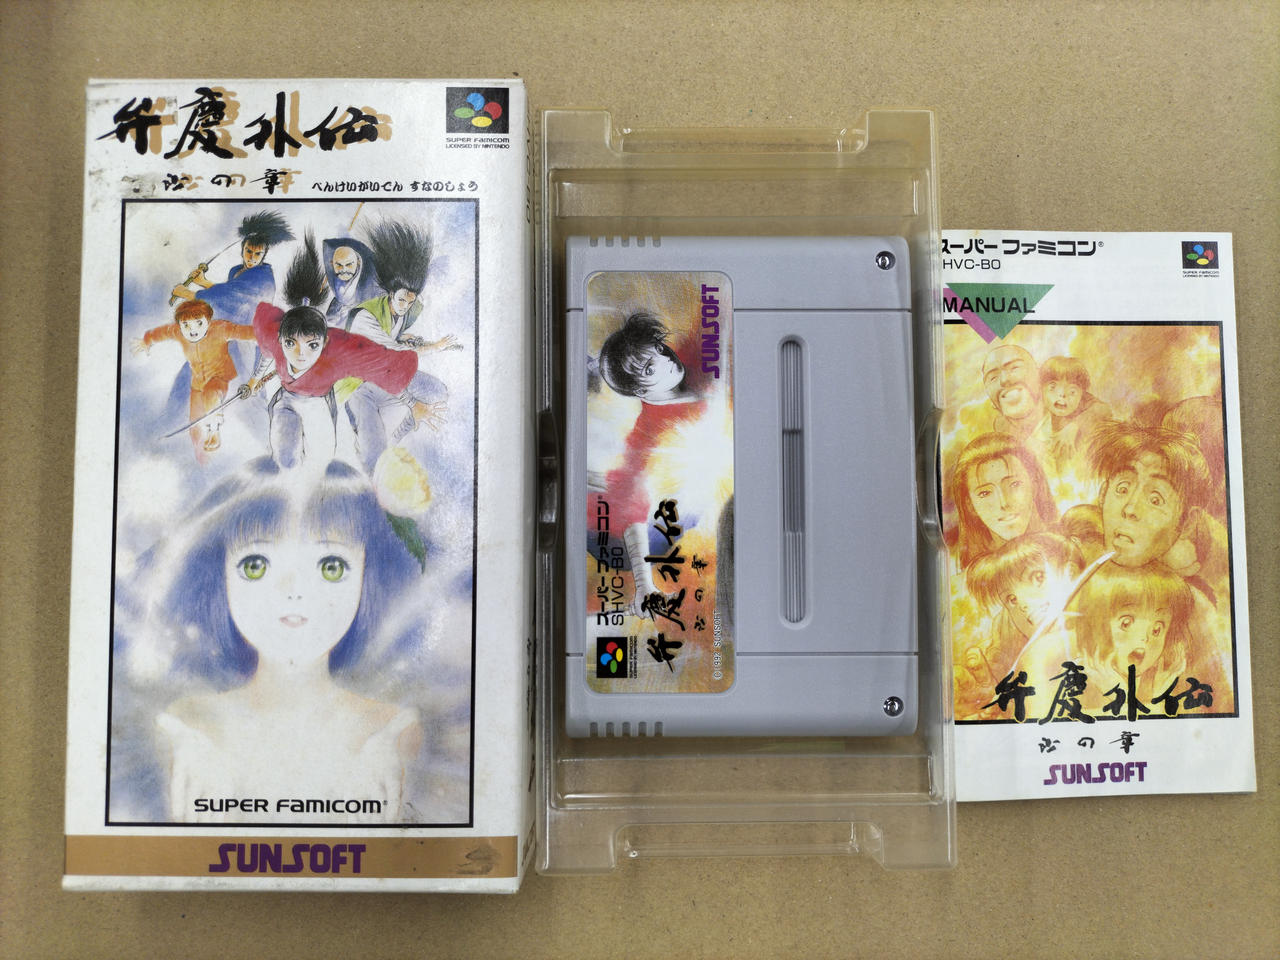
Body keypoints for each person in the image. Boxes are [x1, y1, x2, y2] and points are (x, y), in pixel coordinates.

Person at [150, 458, 424, 822]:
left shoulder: (393, 733)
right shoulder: (186, 726)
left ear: (369, 577)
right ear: (218, 576)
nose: (294, 591)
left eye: (331, 567)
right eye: (256, 566)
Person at [241, 233, 431, 470]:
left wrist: (411, 402)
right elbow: (266, 349)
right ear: (281, 339)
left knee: (321, 459)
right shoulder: (275, 338)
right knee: (286, 459)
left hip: (319, 404)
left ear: (324, 343)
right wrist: (253, 381)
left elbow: (379, 366)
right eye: (290, 344)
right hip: (287, 402)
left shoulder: (337, 353)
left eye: (312, 345)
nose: (300, 354)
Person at [340, 219, 459, 473]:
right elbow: (388, 358)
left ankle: (394, 435)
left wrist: (407, 338)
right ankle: (371, 438)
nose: (405, 306)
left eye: (410, 301)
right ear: (390, 293)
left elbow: (395, 342)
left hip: (389, 376)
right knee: (373, 459)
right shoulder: (364, 317)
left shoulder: (403, 310)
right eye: (402, 300)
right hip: (359, 387)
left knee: (438, 392)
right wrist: (434, 348)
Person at [1073, 560, 1225, 709]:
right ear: (1095, 623)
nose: (1144, 638)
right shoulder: (1076, 682)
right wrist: (1120, 698)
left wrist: (1159, 695)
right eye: (1126, 623)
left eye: (1156, 630)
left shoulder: (1164, 683)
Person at [132, 299, 256, 458]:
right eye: (186, 325)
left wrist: (264, 336)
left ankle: (213, 431)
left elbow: (243, 331)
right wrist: (147, 340)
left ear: (208, 322)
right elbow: (163, 332)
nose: (192, 330)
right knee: (195, 421)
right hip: (197, 383)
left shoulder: (220, 329)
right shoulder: (178, 332)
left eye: (199, 323)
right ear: (180, 325)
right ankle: (199, 454)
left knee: (211, 394)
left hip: (219, 377)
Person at [950, 432, 1059, 570]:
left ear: (1035, 485)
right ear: (970, 505)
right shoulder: (967, 578)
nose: (1004, 503)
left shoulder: (1067, 552)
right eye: (985, 493)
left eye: (1014, 484)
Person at [595, 311, 699, 405]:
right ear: (641, 391)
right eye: (650, 369)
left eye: (659, 349)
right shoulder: (662, 419)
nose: (665, 358)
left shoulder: (692, 354)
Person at [1038, 355, 1112, 474]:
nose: (1062, 394)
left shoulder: (1084, 404)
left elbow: (1104, 410)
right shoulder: (1037, 408)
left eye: (1072, 391)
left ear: (1082, 394)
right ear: (1041, 389)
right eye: (1053, 387)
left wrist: (1075, 425)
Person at [980, 343, 1043, 441]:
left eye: (1015, 368)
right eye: (993, 378)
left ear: (1039, 375)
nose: (1004, 380)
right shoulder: (999, 439)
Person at [322, 237, 380, 327]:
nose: (344, 269)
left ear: (358, 263)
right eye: (339, 265)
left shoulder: (373, 294)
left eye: (349, 264)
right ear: (332, 263)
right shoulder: (335, 296)